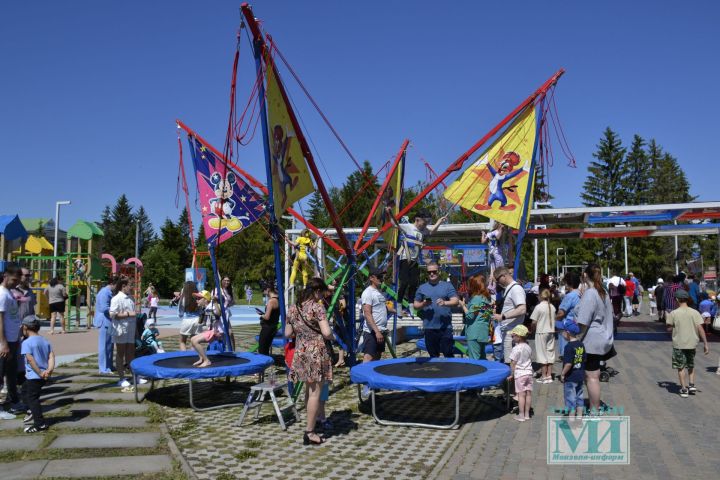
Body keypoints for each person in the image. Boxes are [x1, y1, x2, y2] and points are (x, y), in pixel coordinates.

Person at [285, 278, 334, 445]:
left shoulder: (293, 308)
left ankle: (310, 422)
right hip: (316, 353)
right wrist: (332, 336)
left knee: (308, 390)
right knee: (315, 393)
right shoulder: (317, 307)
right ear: (317, 291)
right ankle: (310, 432)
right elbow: (326, 332)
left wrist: (302, 333)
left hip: (301, 352)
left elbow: (287, 333)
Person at [387, 207, 447, 315]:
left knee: (414, 283)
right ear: (417, 219)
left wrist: (439, 221)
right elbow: (394, 223)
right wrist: (390, 213)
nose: (425, 225)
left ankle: (410, 303)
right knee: (404, 282)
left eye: (427, 222)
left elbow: (432, 231)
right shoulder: (408, 227)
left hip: (415, 260)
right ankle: (399, 303)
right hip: (405, 258)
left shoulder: (423, 231)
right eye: (424, 222)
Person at [575, 264, 615, 415]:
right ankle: (594, 408)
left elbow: (583, 321)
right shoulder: (602, 291)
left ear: (585, 275)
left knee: (592, 376)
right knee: (593, 375)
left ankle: (594, 410)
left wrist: (577, 338)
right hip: (601, 337)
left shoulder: (591, 293)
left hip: (591, 340)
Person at [666, 289, 709, 397]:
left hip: (679, 344)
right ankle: (692, 384)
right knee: (691, 364)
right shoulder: (695, 312)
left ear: (676, 299)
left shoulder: (674, 313)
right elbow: (700, 329)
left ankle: (684, 389)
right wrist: (705, 344)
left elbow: (669, 328)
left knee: (680, 367)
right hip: (692, 343)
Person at [413, 262, 459, 358]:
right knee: (433, 356)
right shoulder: (422, 288)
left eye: (434, 271)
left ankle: (450, 372)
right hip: (429, 328)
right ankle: (436, 373)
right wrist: (423, 304)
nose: (432, 274)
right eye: (429, 272)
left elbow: (456, 301)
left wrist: (445, 303)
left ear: (439, 272)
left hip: (445, 327)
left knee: (448, 354)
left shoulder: (447, 286)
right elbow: (415, 305)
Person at [19, 315, 54, 432]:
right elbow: (51, 356)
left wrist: (39, 372)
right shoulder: (45, 340)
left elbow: (30, 359)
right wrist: (49, 370)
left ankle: (40, 424)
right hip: (42, 376)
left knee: (33, 399)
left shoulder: (26, 343)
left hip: (35, 376)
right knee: (24, 390)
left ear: (25, 327)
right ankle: (31, 410)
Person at [0, 264, 23, 418]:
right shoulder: (1, 294)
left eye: (18, 281)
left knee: (11, 372)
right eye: (14, 280)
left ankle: (14, 401)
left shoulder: (9, 293)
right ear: (6, 276)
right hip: (5, 341)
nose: (16, 283)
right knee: (0, 373)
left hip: (13, 339)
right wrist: (3, 342)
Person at [491, 266, 527, 363]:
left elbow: (522, 309)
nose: (498, 283)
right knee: (509, 360)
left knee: (512, 362)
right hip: (508, 331)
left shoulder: (516, 289)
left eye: (498, 280)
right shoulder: (509, 288)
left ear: (504, 276)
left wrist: (503, 316)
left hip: (512, 332)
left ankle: (514, 378)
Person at [109, 278, 137, 389]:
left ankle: (134, 375)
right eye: (130, 285)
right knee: (120, 353)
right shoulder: (116, 298)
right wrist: (129, 314)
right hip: (120, 329)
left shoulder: (130, 298)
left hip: (130, 328)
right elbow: (112, 314)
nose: (132, 287)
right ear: (123, 286)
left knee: (131, 353)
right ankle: (121, 378)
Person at [361, 268, 393, 364]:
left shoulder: (380, 292)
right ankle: (361, 379)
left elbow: (386, 308)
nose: (381, 279)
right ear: (371, 278)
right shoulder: (368, 292)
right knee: (368, 357)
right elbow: (367, 313)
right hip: (372, 331)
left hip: (381, 329)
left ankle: (371, 378)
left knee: (377, 356)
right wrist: (377, 331)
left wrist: (399, 311)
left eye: (382, 277)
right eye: (379, 277)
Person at [458, 274, 493, 360]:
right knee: (482, 359)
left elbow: (470, 316)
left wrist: (463, 306)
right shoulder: (486, 299)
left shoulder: (476, 299)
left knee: (474, 360)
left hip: (474, 334)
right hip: (483, 333)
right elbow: (485, 315)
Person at [559, 322, 586, 419]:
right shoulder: (581, 344)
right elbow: (583, 359)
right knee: (579, 396)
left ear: (567, 333)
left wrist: (562, 374)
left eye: (562, 332)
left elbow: (568, 364)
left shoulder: (568, 347)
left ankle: (571, 419)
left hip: (570, 377)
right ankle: (579, 416)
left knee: (570, 398)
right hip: (580, 375)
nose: (561, 334)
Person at [507, 325, 533, 422]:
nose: (512, 338)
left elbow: (513, 363)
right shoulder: (528, 347)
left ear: (519, 336)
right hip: (529, 373)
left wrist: (511, 375)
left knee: (521, 395)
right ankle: (527, 414)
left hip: (520, 374)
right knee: (529, 394)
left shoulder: (516, 349)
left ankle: (521, 415)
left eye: (513, 336)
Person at [190, 292, 222, 368]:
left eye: (199, 299)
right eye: (196, 299)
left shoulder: (212, 306)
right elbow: (201, 322)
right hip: (210, 330)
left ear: (205, 299)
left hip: (214, 331)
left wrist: (215, 302)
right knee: (192, 339)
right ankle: (201, 358)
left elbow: (218, 314)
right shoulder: (206, 308)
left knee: (195, 341)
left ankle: (207, 360)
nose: (196, 301)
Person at [531, 288, 556, 383]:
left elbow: (534, 322)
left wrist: (532, 329)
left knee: (542, 355)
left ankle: (544, 375)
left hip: (541, 332)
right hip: (551, 332)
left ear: (541, 296)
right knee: (550, 353)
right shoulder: (552, 307)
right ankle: (549, 375)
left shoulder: (539, 307)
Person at [556, 272, 581, 363]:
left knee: (567, 352)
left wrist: (552, 319)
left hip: (567, 325)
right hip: (577, 324)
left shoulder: (569, 296)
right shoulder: (580, 294)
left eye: (565, 282)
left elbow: (561, 313)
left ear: (569, 283)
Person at [93, 277, 116, 374]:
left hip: (108, 321)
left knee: (110, 345)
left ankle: (109, 365)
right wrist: (116, 309)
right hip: (104, 321)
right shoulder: (104, 293)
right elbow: (104, 308)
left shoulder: (108, 292)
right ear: (112, 283)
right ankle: (103, 368)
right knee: (104, 345)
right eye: (116, 285)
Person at [178, 281, 202, 351]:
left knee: (182, 341)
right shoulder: (198, 297)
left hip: (187, 320)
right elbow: (201, 310)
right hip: (197, 320)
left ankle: (184, 357)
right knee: (194, 342)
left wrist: (181, 315)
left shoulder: (183, 298)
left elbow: (180, 311)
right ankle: (194, 357)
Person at [258, 286, 280, 355]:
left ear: (268, 290)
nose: (264, 292)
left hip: (267, 327)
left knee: (262, 349)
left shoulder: (271, 301)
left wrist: (261, 315)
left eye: (264, 290)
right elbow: (274, 314)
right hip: (274, 327)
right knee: (267, 347)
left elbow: (267, 317)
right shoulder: (279, 300)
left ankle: (263, 364)